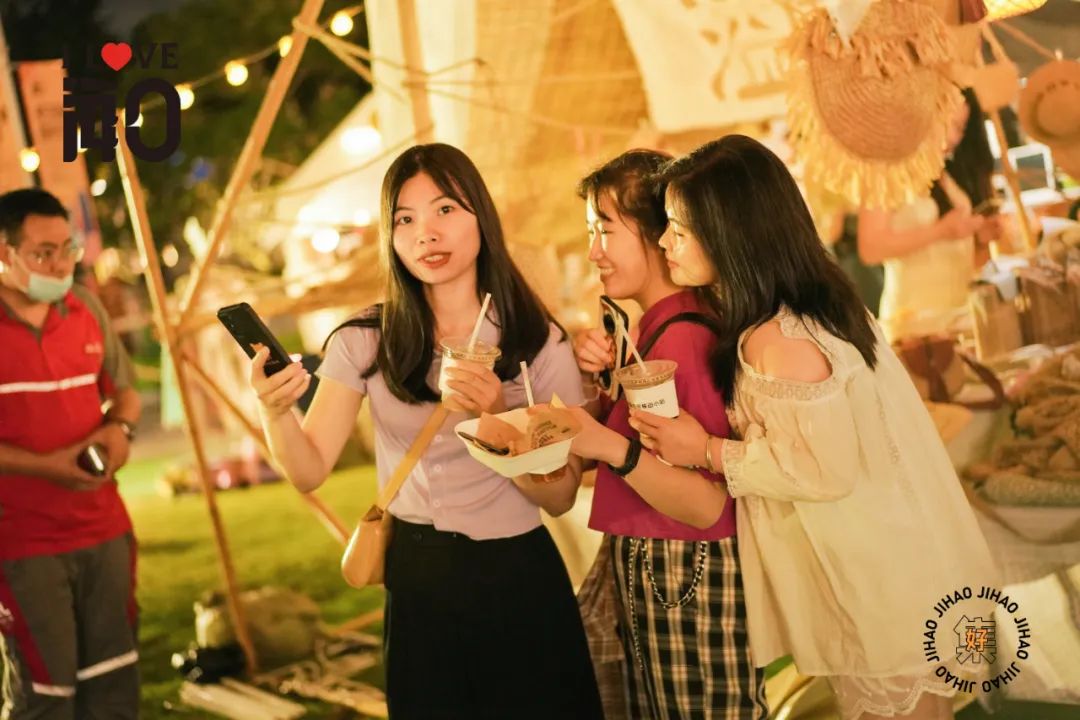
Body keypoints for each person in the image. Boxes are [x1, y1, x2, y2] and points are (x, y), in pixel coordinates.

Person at [626, 136, 998, 720]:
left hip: (866, 574)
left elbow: (824, 472)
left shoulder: (778, 339)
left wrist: (707, 449)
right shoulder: (815, 304)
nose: (665, 241)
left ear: (733, 231)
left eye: (679, 228)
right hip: (894, 557)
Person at [249, 143, 603, 719]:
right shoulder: (364, 340)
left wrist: (496, 421)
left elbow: (561, 496)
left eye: (444, 210)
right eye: (405, 220)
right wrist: (274, 411)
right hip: (418, 576)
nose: (426, 235)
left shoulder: (538, 341)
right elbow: (309, 469)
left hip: (517, 572)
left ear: (480, 217)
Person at [569, 149, 767, 719]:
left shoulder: (683, 338)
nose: (594, 251)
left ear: (660, 234)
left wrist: (604, 442)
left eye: (605, 229)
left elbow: (708, 505)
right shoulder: (656, 328)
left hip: (685, 574)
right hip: (668, 570)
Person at [0, 189, 141, 719]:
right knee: (46, 695)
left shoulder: (84, 307)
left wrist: (120, 430)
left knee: (114, 683)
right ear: (5, 252)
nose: (60, 264)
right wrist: (48, 467)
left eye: (67, 249)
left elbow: (125, 392)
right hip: (22, 541)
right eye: (43, 253)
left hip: (105, 527)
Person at [859, 89, 1000, 341]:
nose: (953, 137)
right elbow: (870, 248)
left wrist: (979, 236)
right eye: (948, 124)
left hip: (959, 317)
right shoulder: (885, 172)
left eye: (960, 128)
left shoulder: (945, 175)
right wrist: (941, 231)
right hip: (914, 327)